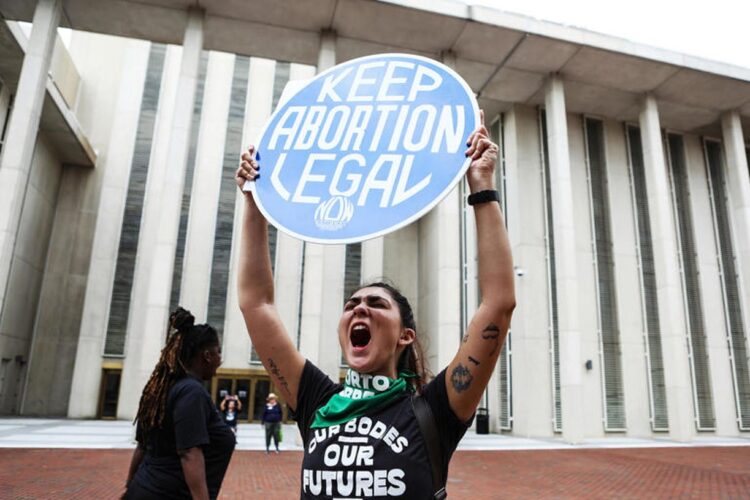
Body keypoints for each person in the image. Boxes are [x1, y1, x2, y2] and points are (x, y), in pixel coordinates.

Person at [235, 111, 515, 498]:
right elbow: (256, 304)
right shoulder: (318, 400)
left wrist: (482, 186)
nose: (359, 308)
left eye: (376, 304)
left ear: (405, 335)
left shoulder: (434, 410)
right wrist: (255, 200)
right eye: (351, 303)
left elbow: (498, 304)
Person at [124, 307, 235, 500]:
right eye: (218, 352)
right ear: (207, 355)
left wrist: (129, 487)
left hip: (142, 489)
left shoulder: (157, 391)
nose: (220, 359)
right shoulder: (192, 392)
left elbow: (142, 447)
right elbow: (189, 453)